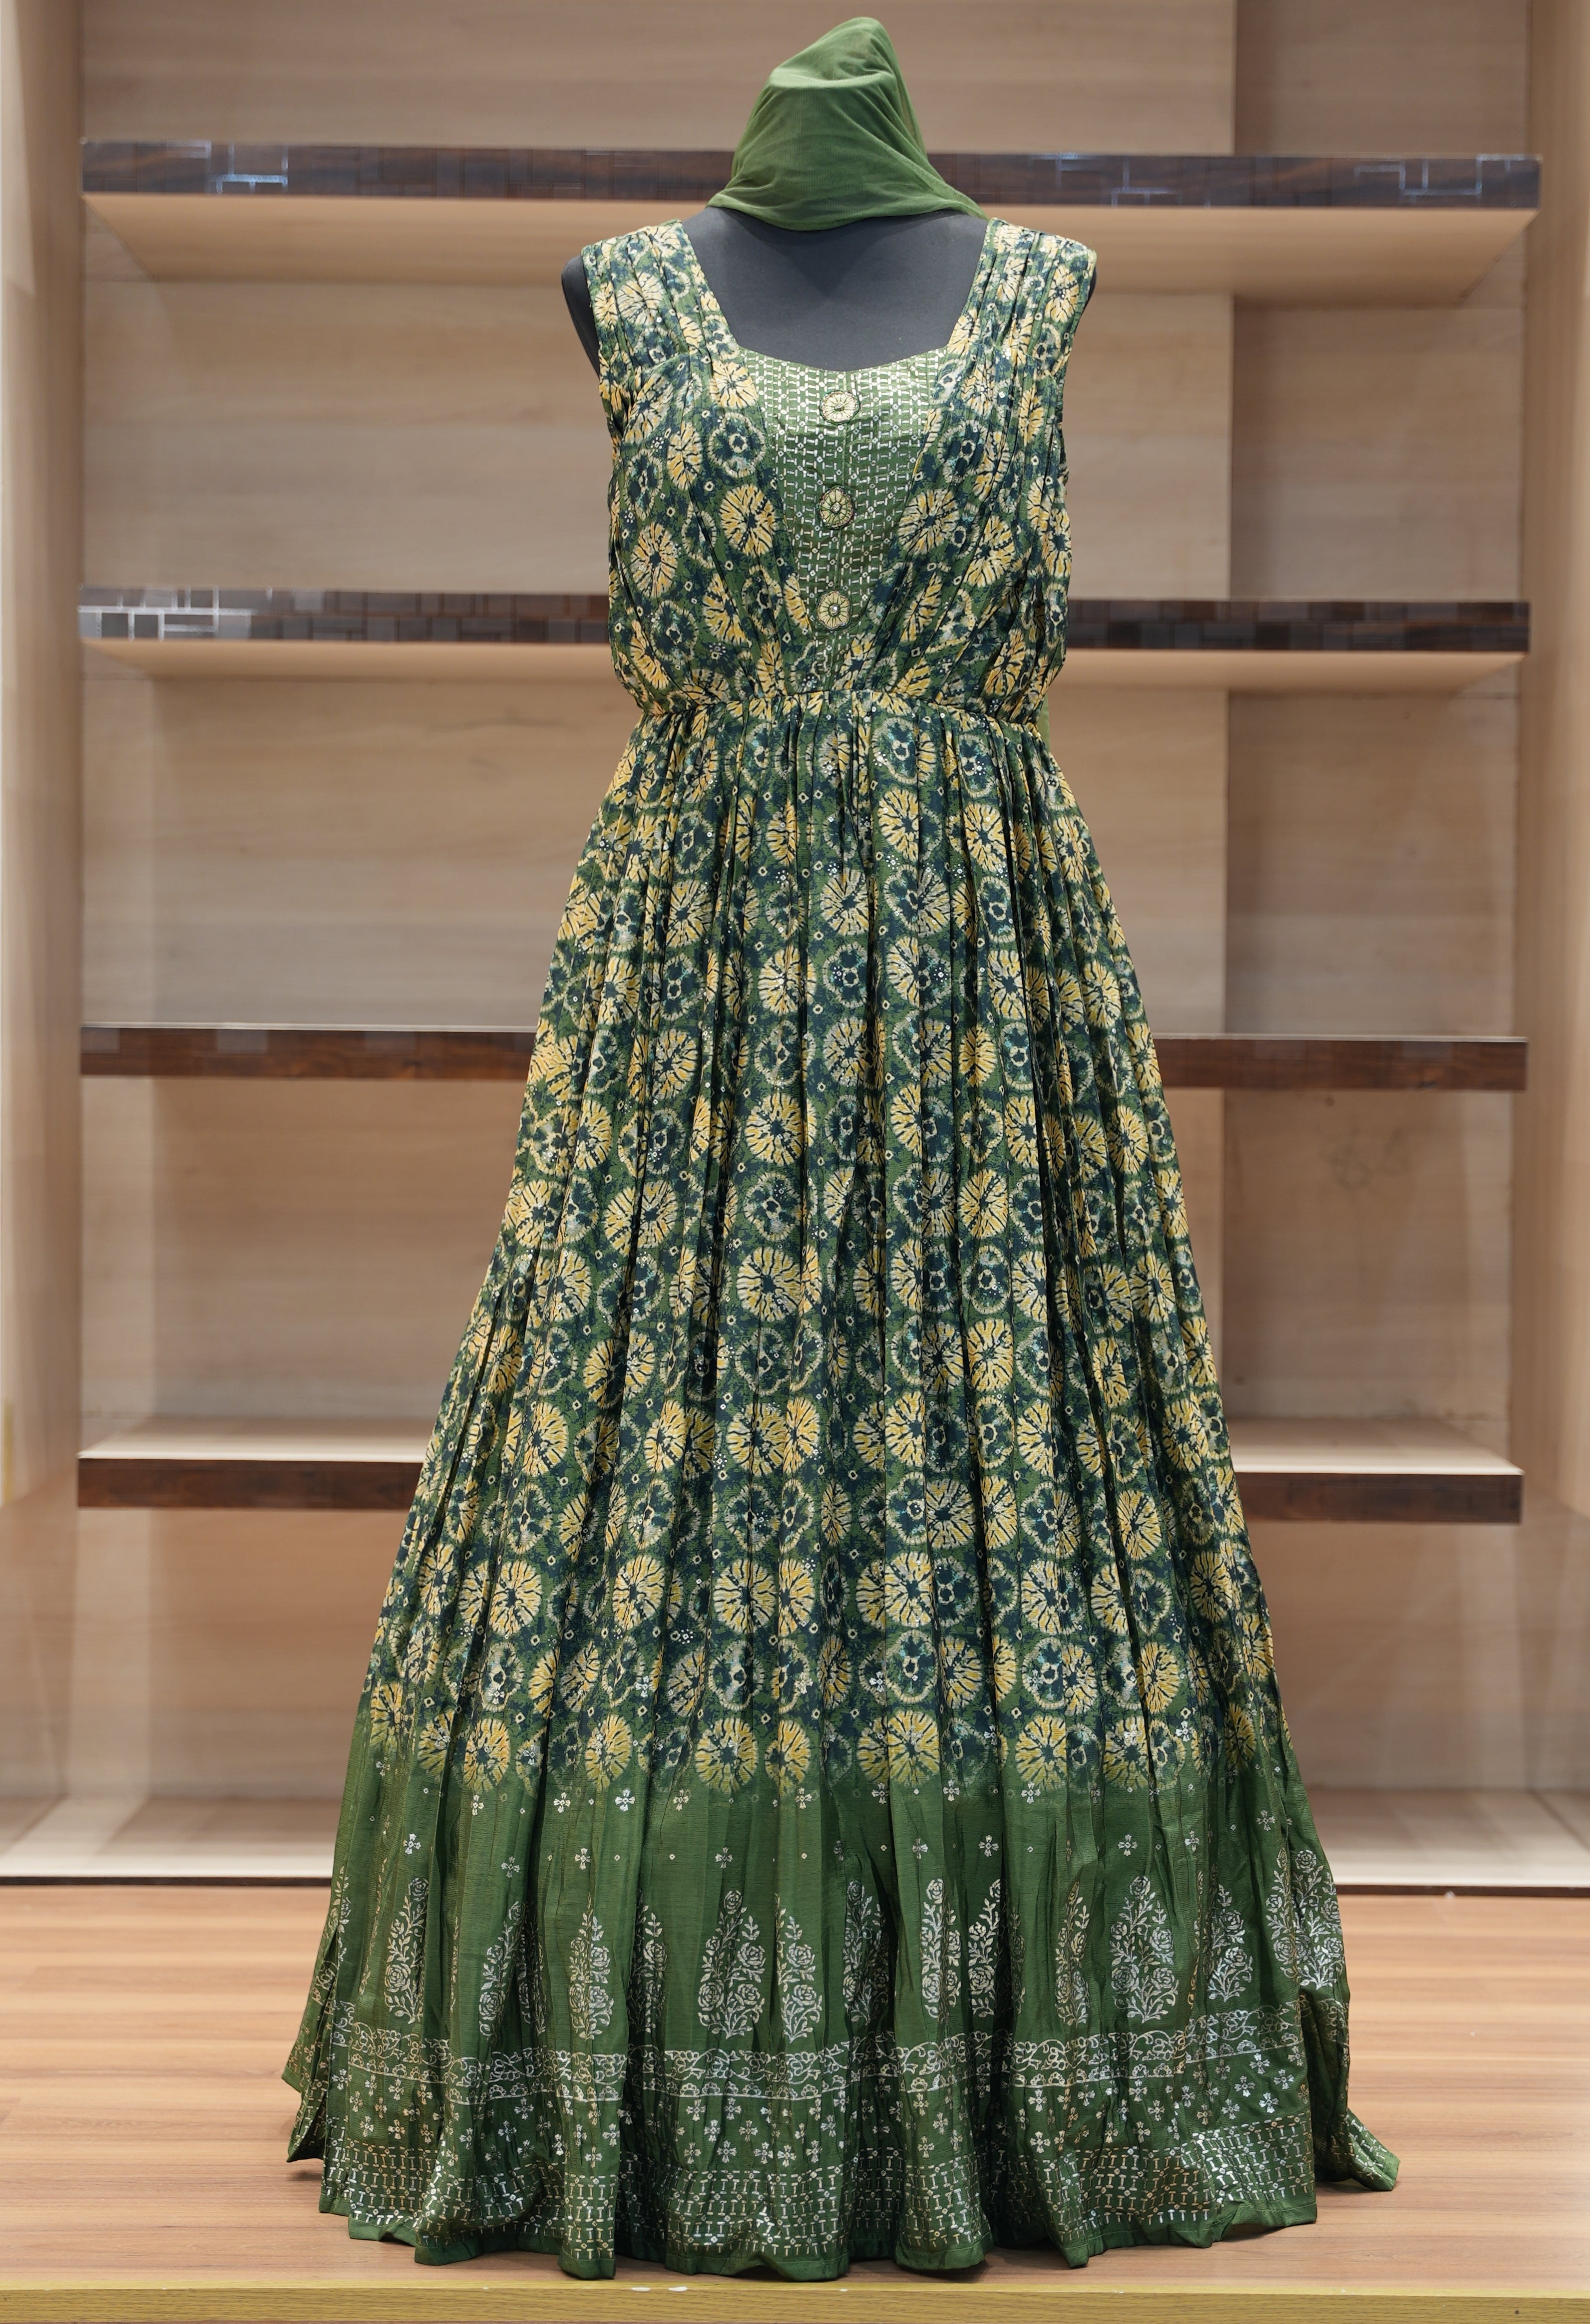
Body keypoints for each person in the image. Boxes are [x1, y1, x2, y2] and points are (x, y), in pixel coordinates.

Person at [284, 16, 1397, 2278]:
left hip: (988, 982)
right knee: (646, 1458)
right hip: (694, 977)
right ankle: (589, 2059)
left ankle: (1031, 2053)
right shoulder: (627, 288)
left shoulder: (1041, 286)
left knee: (1002, 1439)